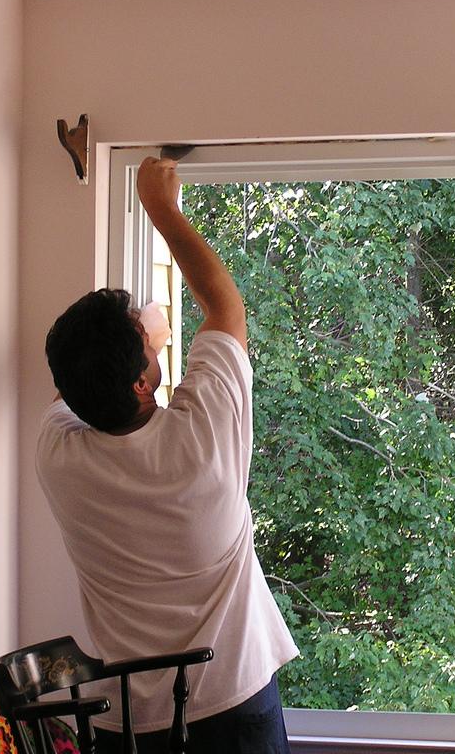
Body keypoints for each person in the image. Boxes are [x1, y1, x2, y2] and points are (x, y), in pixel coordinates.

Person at [36, 157, 299, 754]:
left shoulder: (58, 458)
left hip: (126, 727)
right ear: (138, 383)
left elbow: (74, 382)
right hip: (233, 706)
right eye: (148, 348)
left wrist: (134, 346)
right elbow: (226, 310)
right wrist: (162, 207)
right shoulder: (199, 439)